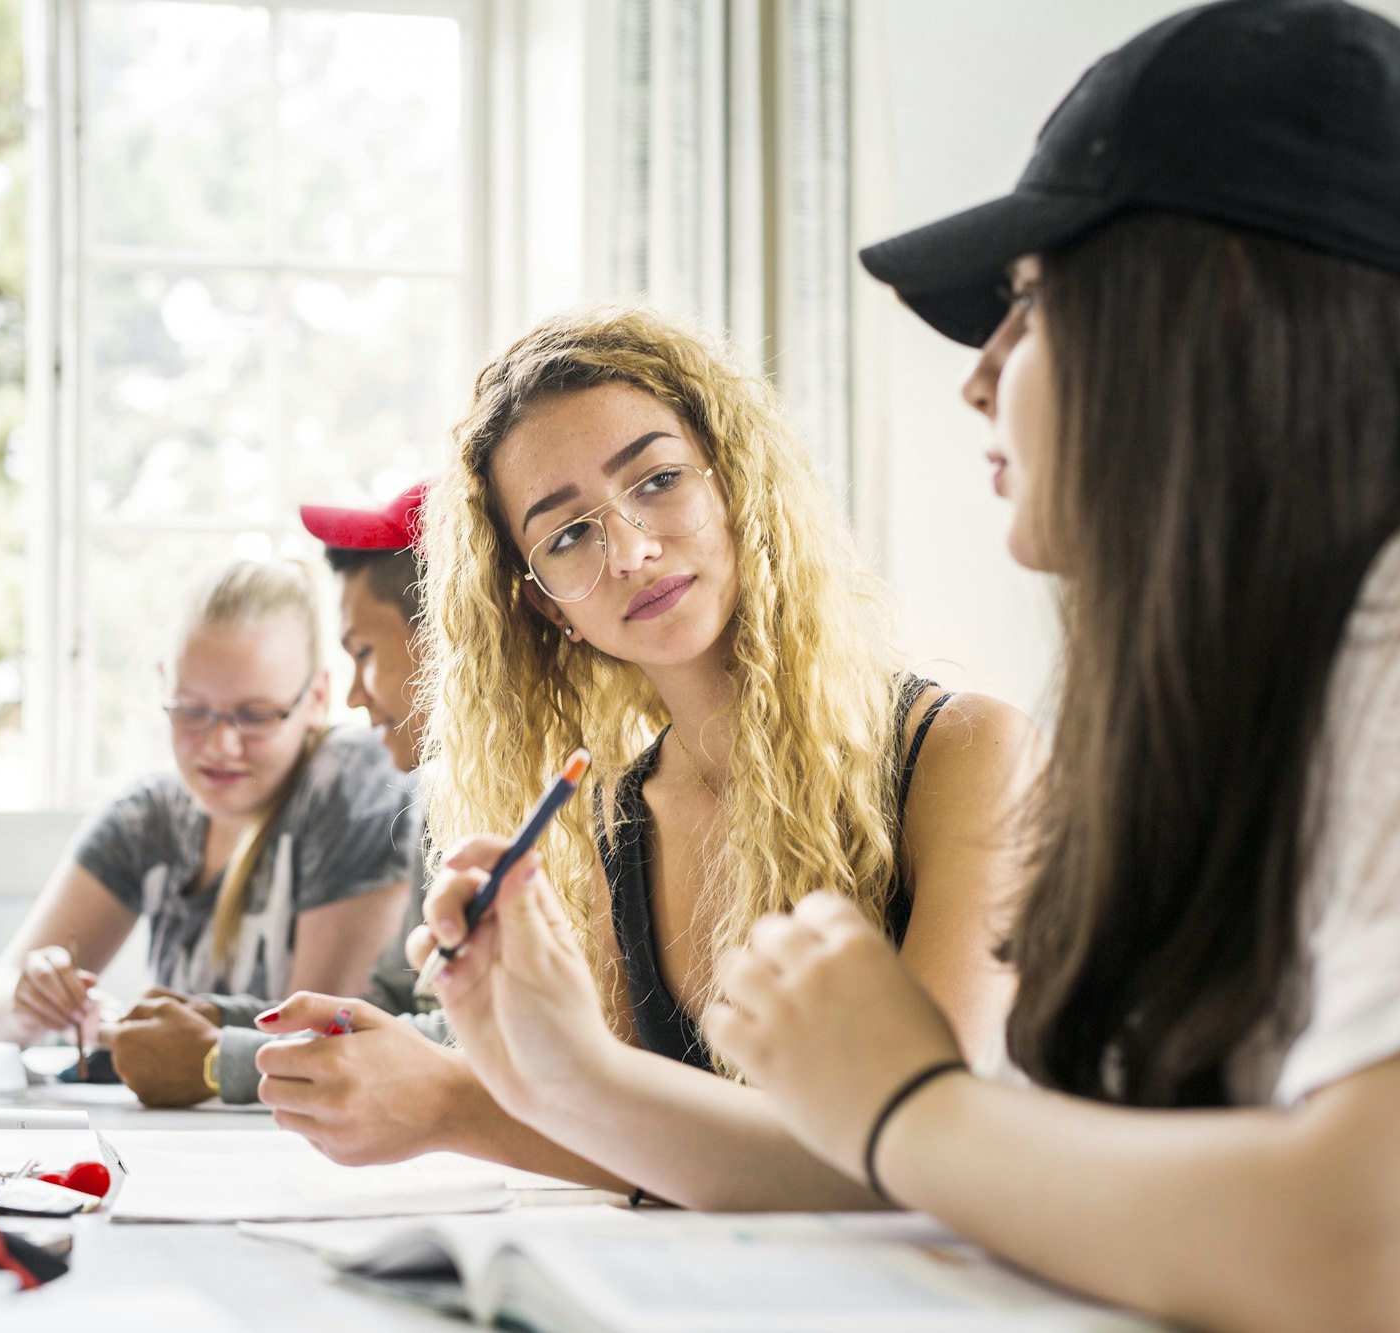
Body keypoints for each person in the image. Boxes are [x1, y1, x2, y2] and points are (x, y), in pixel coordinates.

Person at [691, 3, 1400, 1329]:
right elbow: (1075, 1180)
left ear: (1216, 298)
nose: (979, 379)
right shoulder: (1244, 667)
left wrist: (904, 1103)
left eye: (1032, 306)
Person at [297, 304, 1037, 1204]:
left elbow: (916, 1156)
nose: (635, 550)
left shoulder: (967, 755)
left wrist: (462, 1101)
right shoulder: (611, 823)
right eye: (568, 535)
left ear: (732, 477)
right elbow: (644, 1143)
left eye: (656, 481)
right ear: (543, 607)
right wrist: (502, 1054)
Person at [0, 559, 413, 1105]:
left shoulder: (350, 783)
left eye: (254, 715)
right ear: (164, 687)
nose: (220, 745)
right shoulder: (147, 816)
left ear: (316, 699)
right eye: (191, 710)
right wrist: (30, 995)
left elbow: (316, 1036)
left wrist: (190, 1055)